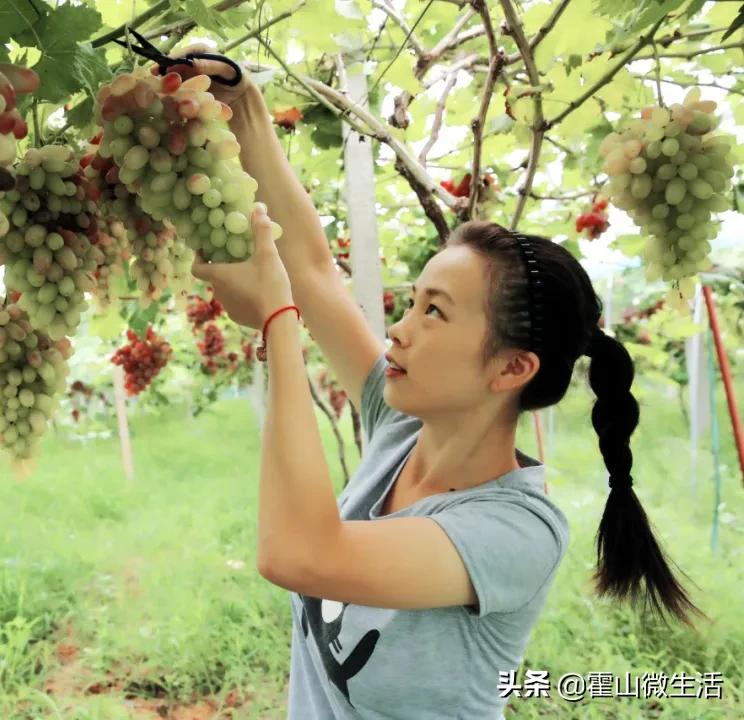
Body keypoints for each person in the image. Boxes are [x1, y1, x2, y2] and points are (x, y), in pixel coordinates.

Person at [169, 47, 708, 719]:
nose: (397, 330)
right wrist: (245, 108)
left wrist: (276, 320)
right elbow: (311, 267)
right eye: (411, 302)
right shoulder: (401, 427)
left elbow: (297, 552)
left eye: (433, 312)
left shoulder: (515, 531)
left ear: (512, 368)